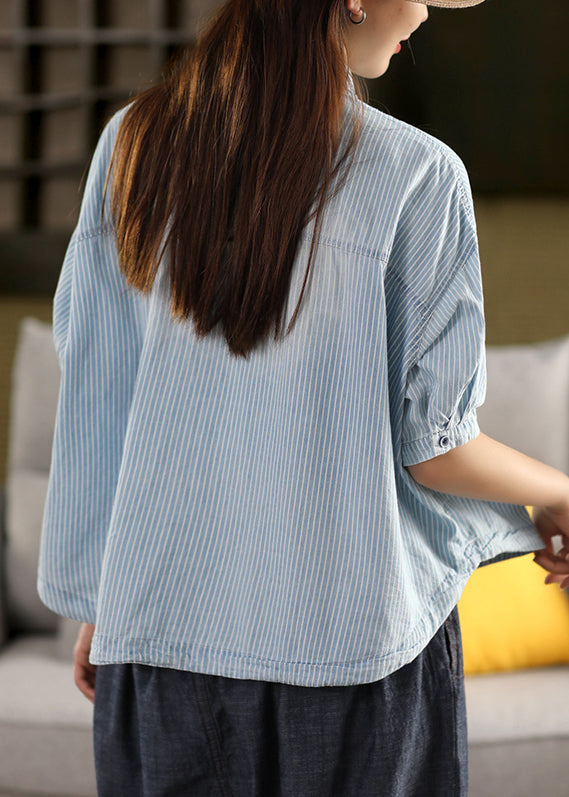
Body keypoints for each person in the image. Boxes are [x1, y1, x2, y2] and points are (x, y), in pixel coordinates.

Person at [38, 0, 569, 794]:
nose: (424, 15)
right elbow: (438, 449)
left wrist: (108, 599)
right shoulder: (418, 174)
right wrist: (560, 492)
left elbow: (100, 400)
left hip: (160, 651)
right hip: (357, 662)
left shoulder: (131, 143)